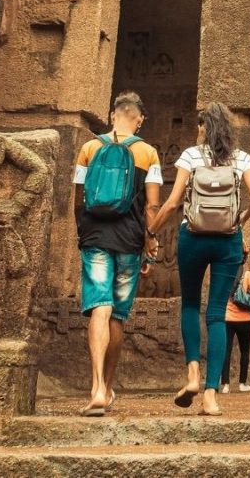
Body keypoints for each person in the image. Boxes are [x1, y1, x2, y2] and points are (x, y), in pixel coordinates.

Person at [147, 101, 250, 416]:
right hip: (228, 241)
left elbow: (172, 203)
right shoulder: (242, 158)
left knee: (189, 304)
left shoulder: (190, 155)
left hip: (193, 237)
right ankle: (211, 395)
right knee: (216, 315)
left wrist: (152, 233)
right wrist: (239, 219)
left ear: (203, 128)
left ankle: (193, 375)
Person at [73, 91, 163, 417]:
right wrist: (150, 241)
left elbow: (78, 199)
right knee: (117, 316)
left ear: (113, 114)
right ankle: (108, 388)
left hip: (95, 237)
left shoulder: (89, 148)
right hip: (129, 241)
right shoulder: (148, 153)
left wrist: (82, 233)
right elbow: (152, 204)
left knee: (99, 306)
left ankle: (95, 386)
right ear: (138, 118)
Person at [222, 243, 250, 394]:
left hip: (228, 318)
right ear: (244, 259)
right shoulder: (247, 275)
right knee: (244, 351)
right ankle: (242, 383)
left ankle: (225, 384)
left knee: (226, 351)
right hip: (244, 320)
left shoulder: (225, 273)